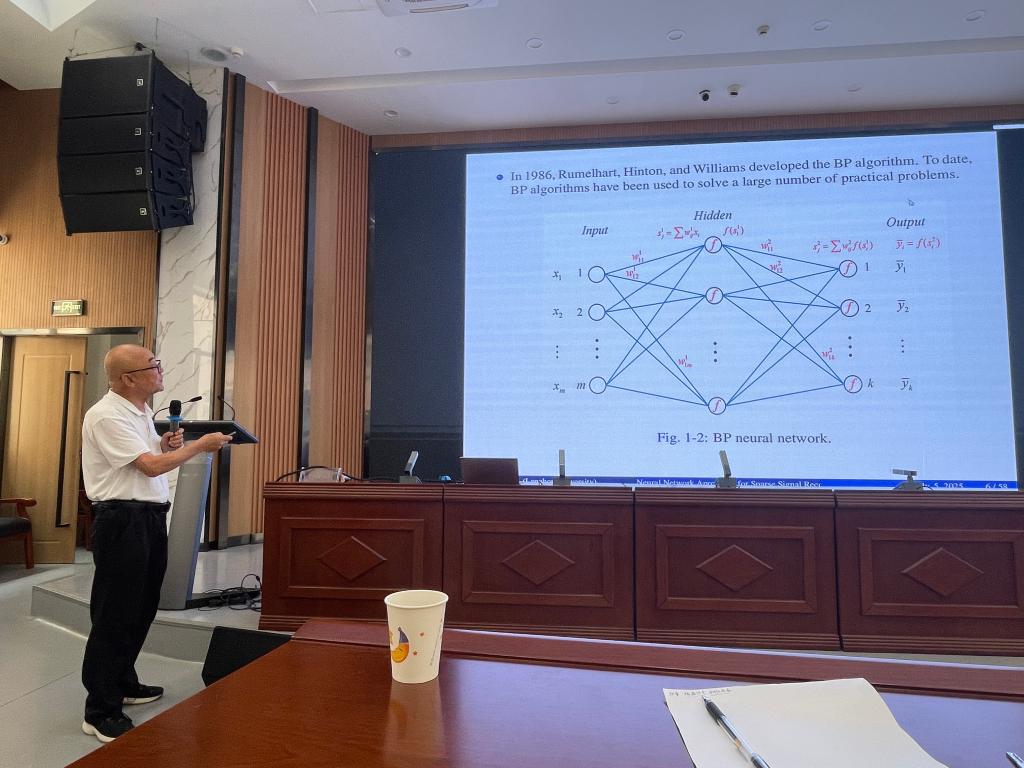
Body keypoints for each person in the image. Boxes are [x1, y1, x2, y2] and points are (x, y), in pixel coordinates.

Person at [79, 344, 233, 743]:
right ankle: (100, 710)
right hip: (121, 521)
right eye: (153, 365)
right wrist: (198, 446)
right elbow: (147, 468)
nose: (160, 370)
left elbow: (146, 458)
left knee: (141, 608)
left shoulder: (140, 411)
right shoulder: (107, 415)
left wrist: (165, 446)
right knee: (115, 615)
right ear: (129, 378)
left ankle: (123, 683)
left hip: (146, 518)